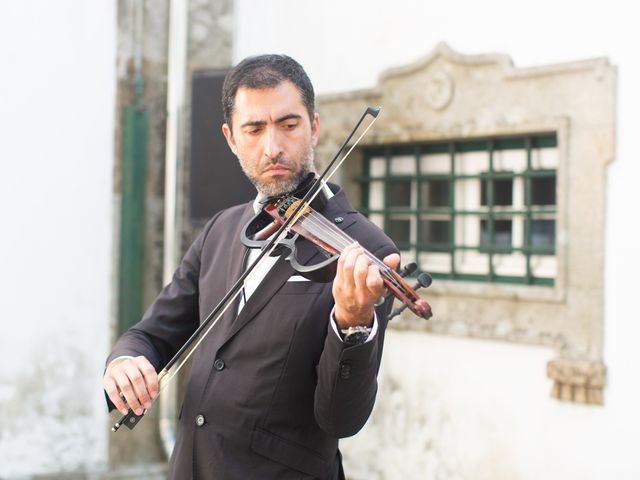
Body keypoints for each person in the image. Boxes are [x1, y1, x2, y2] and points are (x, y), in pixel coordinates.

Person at [103, 54, 399, 480]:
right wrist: (125, 361)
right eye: (254, 129)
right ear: (231, 138)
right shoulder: (221, 230)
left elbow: (342, 419)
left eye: (289, 124)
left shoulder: (363, 248)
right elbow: (153, 333)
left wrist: (353, 324)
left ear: (314, 127)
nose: (273, 146)